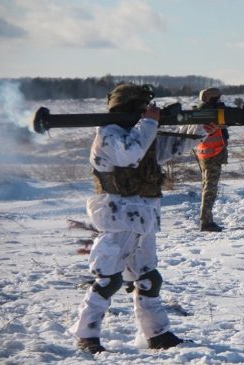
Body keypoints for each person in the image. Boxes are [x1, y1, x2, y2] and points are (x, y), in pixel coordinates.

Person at [72, 83, 202, 353]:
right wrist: (149, 123)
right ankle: (86, 334)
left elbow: (173, 146)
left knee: (148, 279)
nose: (147, 111)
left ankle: (157, 334)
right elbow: (130, 154)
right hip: (117, 215)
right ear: (129, 107)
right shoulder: (108, 134)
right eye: (142, 107)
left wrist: (201, 128)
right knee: (109, 279)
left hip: (144, 216)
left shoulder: (141, 132)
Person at [194, 87, 229, 232]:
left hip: (206, 153)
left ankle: (207, 220)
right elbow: (223, 124)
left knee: (207, 187)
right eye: (218, 98)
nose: (220, 100)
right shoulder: (210, 112)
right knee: (210, 189)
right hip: (212, 153)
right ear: (213, 98)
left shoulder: (201, 110)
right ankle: (206, 222)